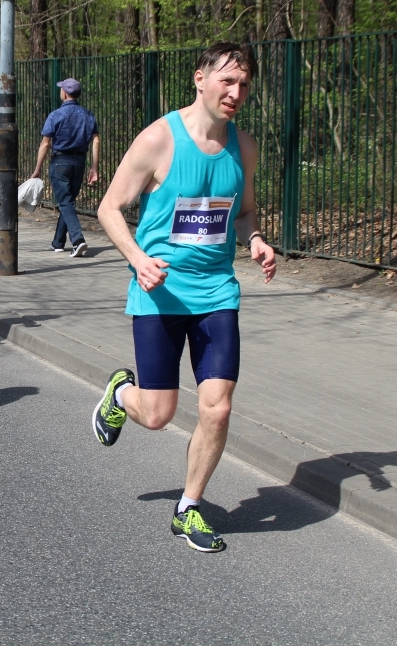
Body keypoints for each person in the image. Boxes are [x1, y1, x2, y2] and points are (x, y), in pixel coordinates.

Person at [92, 42, 277, 553]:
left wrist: (255, 239)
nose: (236, 92)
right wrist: (138, 259)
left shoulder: (245, 147)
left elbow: (244, 212)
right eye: (227, 81)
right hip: (161, 292)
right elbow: (109, 208)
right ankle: (120, 394)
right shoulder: (159, 139)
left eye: (244, 84)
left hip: (217, 292)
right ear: (200, 79)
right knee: (157, 416)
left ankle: (188, 508)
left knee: (217, 408)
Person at [28, 77, 99, 257]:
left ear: (65, 93)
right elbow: (96, 140)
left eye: (61, 89)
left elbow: (45, 144)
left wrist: (37, 168)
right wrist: (94, 167)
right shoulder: (88, 115)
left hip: (60, 161)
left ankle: (78, 240)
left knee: (66, 202)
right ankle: (58, 242)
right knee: (68, 202)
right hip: (80, 162)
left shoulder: (56, 115)